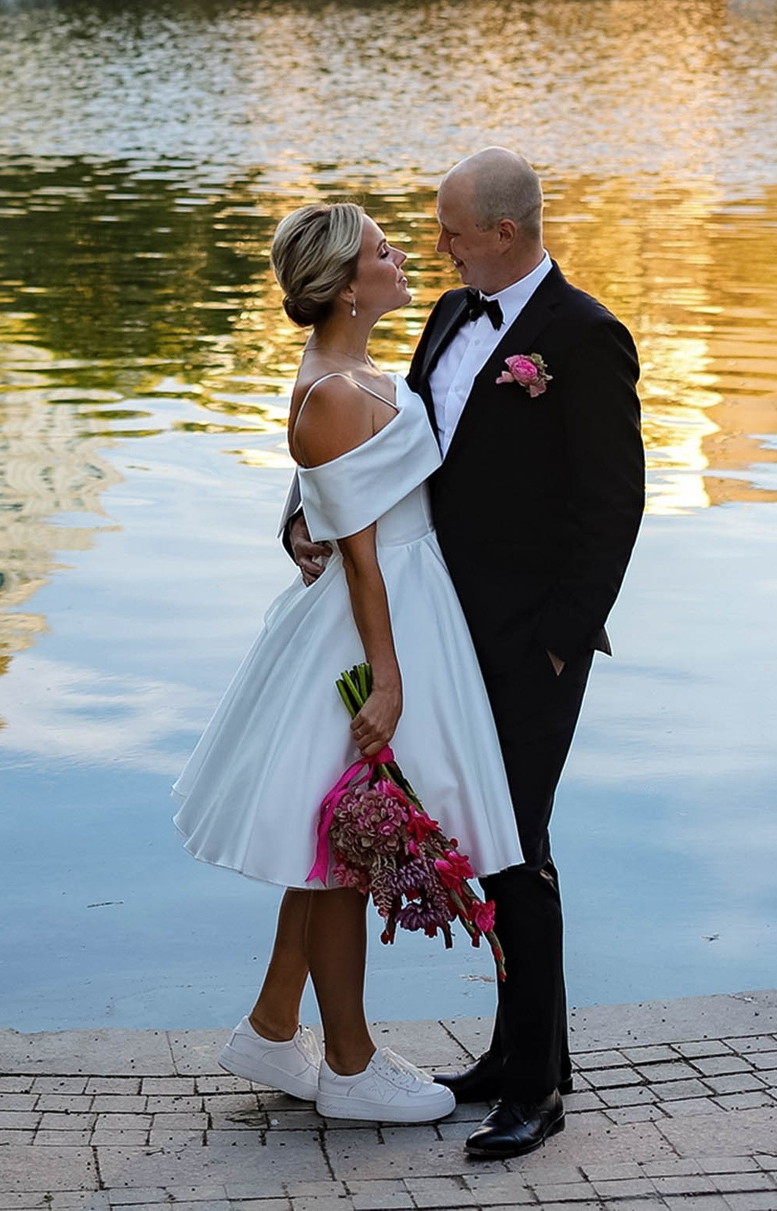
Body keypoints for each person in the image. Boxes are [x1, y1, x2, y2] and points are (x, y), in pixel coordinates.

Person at [283, 149, 645, 1160]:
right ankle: (510, 1057)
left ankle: (538, 1089)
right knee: (488, 843)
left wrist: (562, 650)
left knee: (516, 851)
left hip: (530, 647)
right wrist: (301, 517)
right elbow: (375, 454)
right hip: (439, 633)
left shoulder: (584, 337)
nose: (434, 244)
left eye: (449, 229)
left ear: (506, 233)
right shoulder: (448, 317)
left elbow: (612, 510)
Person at [177, 203, 521, 1128]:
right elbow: (361, 553)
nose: (399, 253)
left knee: (322, 838)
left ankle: (271, 1023)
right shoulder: (331, 390)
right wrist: (389, 675)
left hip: (410, 595)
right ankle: (352, 1064)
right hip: (373, 620)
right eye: (380, 250)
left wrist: (298, 518)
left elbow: (329, 504)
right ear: (342, 283)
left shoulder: (363, 368)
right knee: (340, 849)